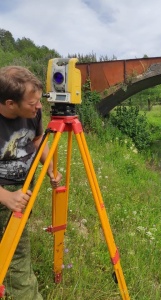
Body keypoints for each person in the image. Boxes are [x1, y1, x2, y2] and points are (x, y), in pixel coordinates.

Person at [0, 66, 62, 299]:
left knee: (13, 239)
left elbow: (36, 140)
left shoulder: (32, 111)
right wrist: (6, 197)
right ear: (10, 104)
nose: (39, 107)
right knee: (17, 255)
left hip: (24, 188)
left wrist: (51, 169)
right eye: (32, 103)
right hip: (5, 192)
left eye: (39, 101)